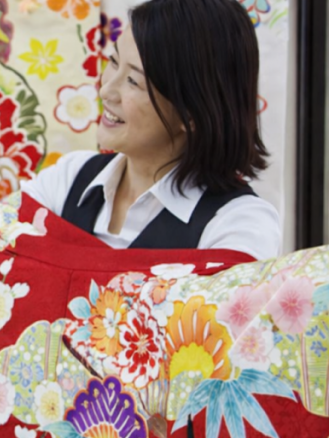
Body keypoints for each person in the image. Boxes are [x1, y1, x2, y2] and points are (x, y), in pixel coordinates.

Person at [22, 0, 281, 260]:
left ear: (192, 112)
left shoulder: (238, 224)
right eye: (114, 61)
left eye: (133, 81)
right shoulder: (68, 178)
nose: (106, 91)